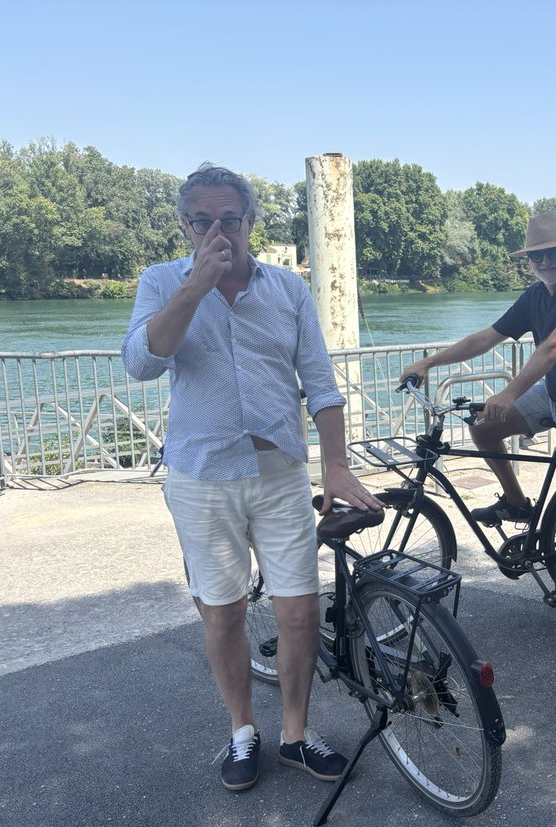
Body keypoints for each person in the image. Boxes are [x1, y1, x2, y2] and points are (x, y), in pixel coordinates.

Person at [122, 163, 383, 793]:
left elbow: (320, 382)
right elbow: (140, 364)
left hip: (279, 472)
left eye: (230, 220)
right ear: (186, 224)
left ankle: (295, 734)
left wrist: (337, 463)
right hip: (202, 474)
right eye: (204, 220)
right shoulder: (162, 281)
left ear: (250, 223)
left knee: (299, 611)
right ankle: (243, 731)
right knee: (224, 612)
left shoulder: (287, 290)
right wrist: (195, 287)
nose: (219, 231)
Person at [399, 214, 556, 530]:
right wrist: (428, 363)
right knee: (483, 428)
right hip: (554, 392)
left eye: (553, 252)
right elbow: (486, 338)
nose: (544, 261)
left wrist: (510, 392)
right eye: (536, 255)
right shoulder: (535, 295)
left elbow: (554, 348)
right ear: (529, 259)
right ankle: (516, 503)